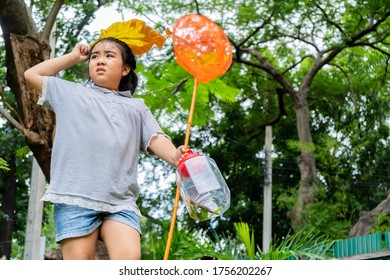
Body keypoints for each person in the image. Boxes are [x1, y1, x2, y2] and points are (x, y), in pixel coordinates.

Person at [24, 36, 187, 260]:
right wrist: (73, 57)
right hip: (74, 196)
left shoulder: (136, 107)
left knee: (129, 263)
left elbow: (155, 138)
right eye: (94, 56)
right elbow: (31, 74)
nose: (100, 60)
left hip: (120, 201)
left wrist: (176, 156)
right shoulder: (69, 93)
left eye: (109, 56)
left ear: (125, 69)